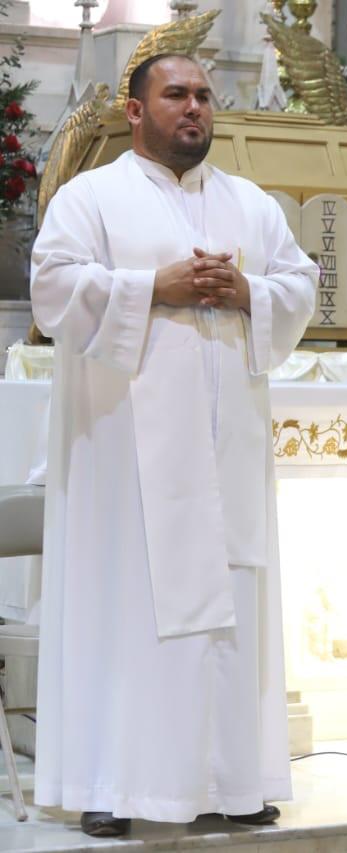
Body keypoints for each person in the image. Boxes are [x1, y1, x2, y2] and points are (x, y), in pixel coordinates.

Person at [30, 54, 317, 835]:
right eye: (175, 95)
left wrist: (248, 290)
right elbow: (52, 288)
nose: (194, 108)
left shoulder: (249, 203)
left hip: (226, 452)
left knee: (229, 607)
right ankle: (111, 783)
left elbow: (300, 286)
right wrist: (154, 286)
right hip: (125, 455)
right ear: (134, 111)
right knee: (129, 606)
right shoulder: (91, 197)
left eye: (203, 96)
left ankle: (231, 780)